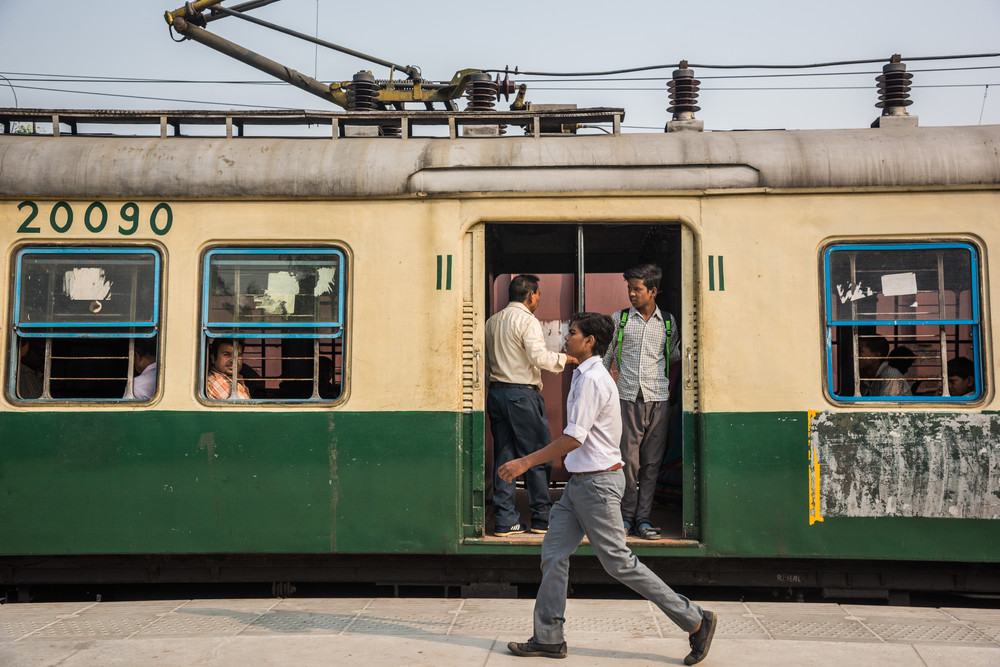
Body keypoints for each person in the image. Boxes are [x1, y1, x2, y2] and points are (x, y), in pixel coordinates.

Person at [499, 312, 716, 665]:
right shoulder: (586, 375)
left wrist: (524, 463)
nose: (564, 339)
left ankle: (694, 619)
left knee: (619, 563)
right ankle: (549, 638)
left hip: (597, 485)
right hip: (580, 486)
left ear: (589, 342)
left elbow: (573, 438)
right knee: (554, 555)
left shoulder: (592, 381)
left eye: (571, 333)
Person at [485, 274, 576, 537]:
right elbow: (539, 357)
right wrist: (570, 358)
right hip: (521, 395)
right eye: (538, 294)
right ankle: (541, 518)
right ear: (531, 295)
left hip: (497, 395)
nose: (539, 298)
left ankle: (505, 521)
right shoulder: (527, 320)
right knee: (537, 455)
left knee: (505, 456)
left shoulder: (492, 322)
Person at [603, 264, 679, 540]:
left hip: (659, 400)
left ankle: (643, 519)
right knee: (628, 463)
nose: (632, 294)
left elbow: (672, 357)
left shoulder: (668, 322)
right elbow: (606, 358)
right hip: (627, 400)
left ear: (653, 291)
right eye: (629, 289)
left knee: (651, 464)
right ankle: (625, 518)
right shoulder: (620, 320)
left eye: (637, 289)